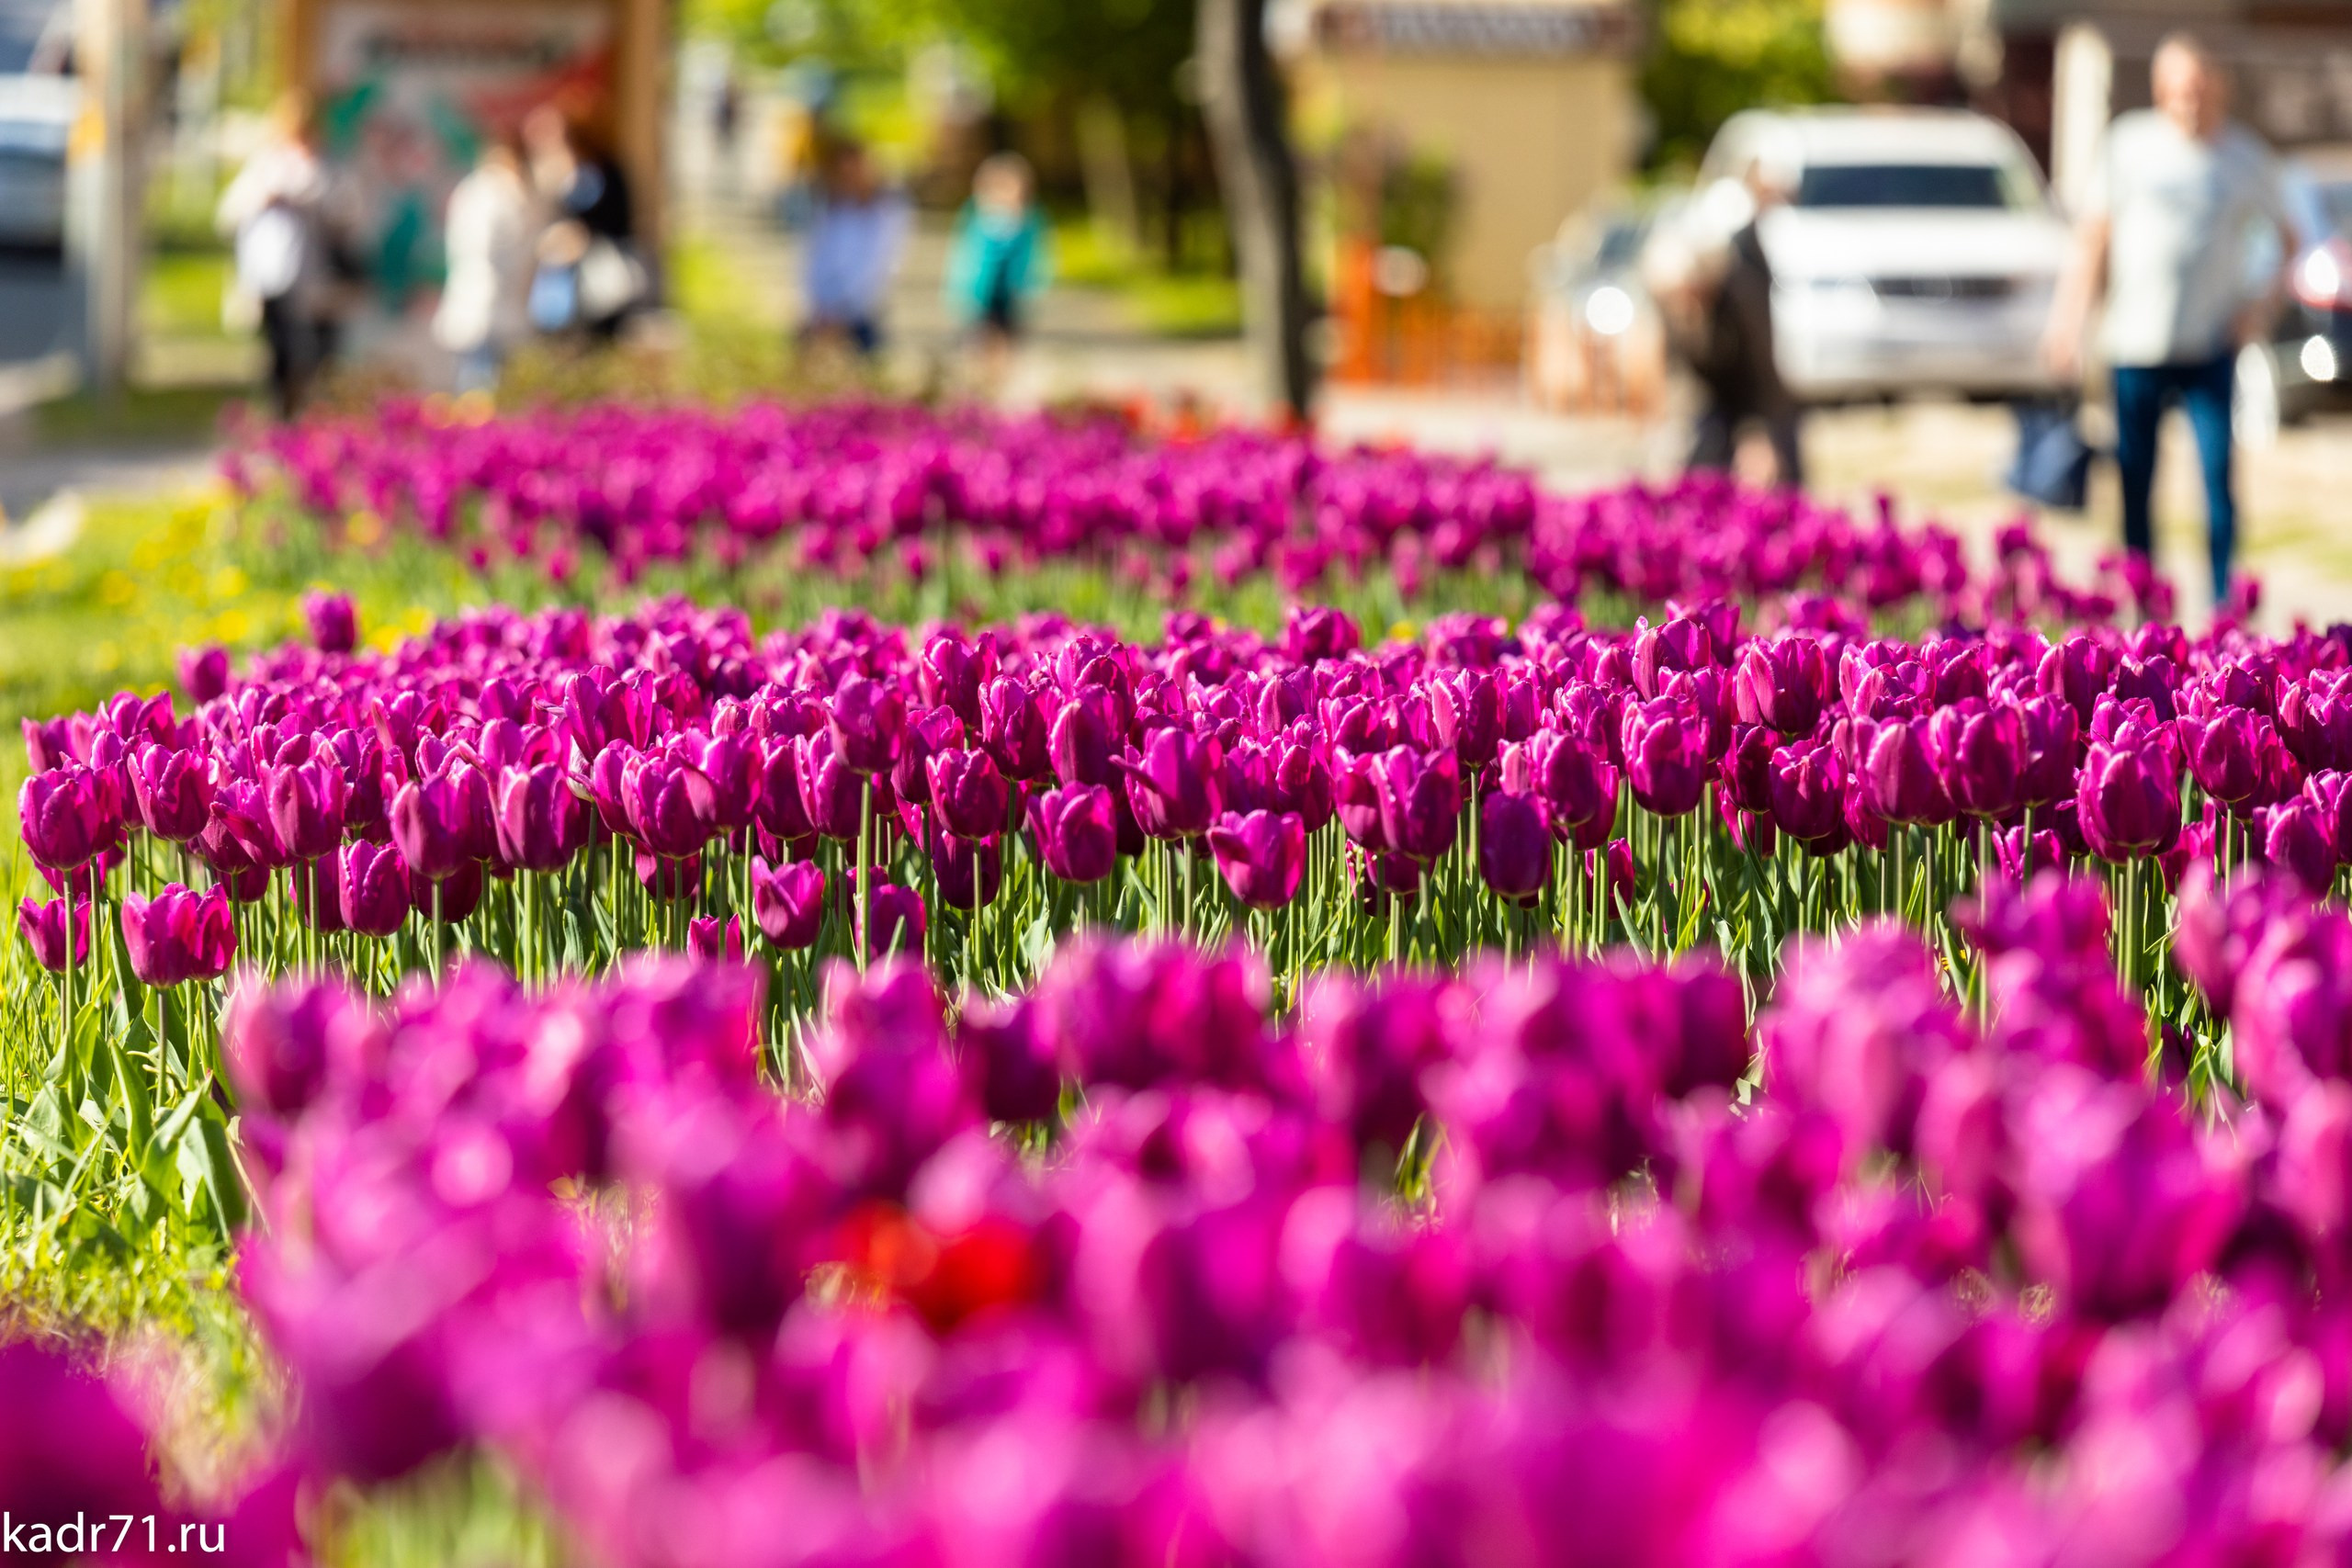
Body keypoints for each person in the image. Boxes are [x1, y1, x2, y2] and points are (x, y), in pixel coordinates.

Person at [2043, 33, 2299, 606]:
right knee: (2135, 483)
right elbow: (2093, 241)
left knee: (2216, 482)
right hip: (2135, 344)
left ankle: (2222, 607)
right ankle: (2145, 607)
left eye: (2199, 88)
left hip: (2209, 346)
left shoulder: (2245, 156)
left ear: (2219, 89)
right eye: (2177, 89)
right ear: (2160, 91)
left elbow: (2289, 241)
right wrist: (2067, 323)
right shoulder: (2129, 146)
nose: (2189, 100)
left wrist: (2258, 311)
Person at [1651, 164, 1804, 491]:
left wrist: (1759, 435)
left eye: (1690, 293)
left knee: (1777, 479)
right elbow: (1680, 376)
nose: (1684, 302)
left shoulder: (1739, 296)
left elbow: (1761, 372)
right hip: (1714, 408)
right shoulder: (1673, 304)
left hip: (1759, 400)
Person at [216, 95, 332, 420]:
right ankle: (283, 409)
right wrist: (263, 198)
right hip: (270, 274)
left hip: (310, 276)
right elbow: (229, 212)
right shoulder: (264, 167)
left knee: (310, 349)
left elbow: (339, 209)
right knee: (279, 348)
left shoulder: (322, 167)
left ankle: (306, 407)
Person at [525, 106, 646, 342]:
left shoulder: (597, 173)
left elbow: (595, 218)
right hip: (563, 286)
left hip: (597, 279)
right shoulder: (566, 170)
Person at [434, 130, 537, 394]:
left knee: (478, 382)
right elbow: (491, 251)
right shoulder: (497, 195)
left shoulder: (473, 190)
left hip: (485, 302)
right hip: (489, 305)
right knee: (482, 387)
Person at [944, 152, 1049, 380]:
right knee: (979, 341)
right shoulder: (978, 219)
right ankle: (981, 383)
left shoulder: (1029, 220)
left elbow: (1037, 255)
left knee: (1007, 341)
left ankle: (1001, 380)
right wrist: (958, 291)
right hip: (981, 291)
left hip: (1010, 292)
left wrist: (1033, 285)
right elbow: (965, 256)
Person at [801, 140, 908, 360]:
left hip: (861, 314)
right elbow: (816, 259)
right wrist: (823, 306)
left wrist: (844, 310)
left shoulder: (885, 211)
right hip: (824, 312)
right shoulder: (832, 207)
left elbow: (879, 265)